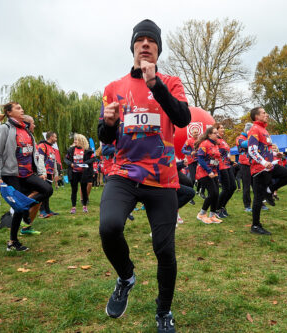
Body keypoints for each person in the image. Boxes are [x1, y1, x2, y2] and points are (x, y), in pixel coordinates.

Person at [97, 19, 191, 332]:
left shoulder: (171, 83)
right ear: (134, 48)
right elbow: (106, 138)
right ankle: (126, 276)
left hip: (162, 178)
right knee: (109, 227)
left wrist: (156, 85)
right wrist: (108, 123)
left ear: (158, 50)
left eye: (152, 40)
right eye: (141, 40)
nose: (146, 44)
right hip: (123, 173)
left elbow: (182, 118)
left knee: (165, 249)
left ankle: (163, 312)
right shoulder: (114, 88)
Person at [0, 102, 53, 250]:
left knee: (47, 189)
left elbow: (35, 154)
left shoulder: (27, 131)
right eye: (18, 108)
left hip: (28, 173)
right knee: (18, 210)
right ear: (9, 112)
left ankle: (23, 206)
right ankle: (13, 242)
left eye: (21, 108)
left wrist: (40, 172)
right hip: (12, 174)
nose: (22, 109)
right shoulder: (4, 129)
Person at [248, 107, 287, 235]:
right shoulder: (254, 129)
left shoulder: (264, 129)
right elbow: (252, 150)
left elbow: (264, 148)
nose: (267, 115)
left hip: (270, 166)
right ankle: (255, 226)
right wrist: (264, 162)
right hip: (259, 169)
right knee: (258, 198)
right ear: (257, 116)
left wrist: (276, 153)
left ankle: (269, 191)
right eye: (264, 113)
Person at [195, 127, 222, 224]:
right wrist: (208, 170)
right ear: (209, 134)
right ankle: (201, 214)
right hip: (204, 172)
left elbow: (216, 160)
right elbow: (200, 159)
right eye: (215, 133)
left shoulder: (216, 145)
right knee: (213, 193)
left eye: (217, 133)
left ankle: (212, 215)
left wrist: (217, 174)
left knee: (216, 194)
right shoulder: (204, 143)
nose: (217, 134)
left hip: (213, 172)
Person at [64, 134, 95, 213]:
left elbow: (93, 159)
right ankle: (73, 207)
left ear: (81, 141)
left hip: (83, 173)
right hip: (74, 173)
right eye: (74, 140)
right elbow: (66, 159)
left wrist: (85, 163)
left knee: (84, 190)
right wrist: (70, 164)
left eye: (76, 140)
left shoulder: (88, 150)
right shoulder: (71, 150)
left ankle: (84, 206)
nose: (74, 141)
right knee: (74, 190)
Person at [215, 123, 236, 218]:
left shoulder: (223, 140)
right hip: (221, 167)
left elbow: (225, 155)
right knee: (226, 188)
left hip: (228, 166)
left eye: (223, 127)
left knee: (233, 187)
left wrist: (231, 162)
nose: (223, 129)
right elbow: (215, 155)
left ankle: (223, 206)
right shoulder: (216, 141)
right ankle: (217, 209)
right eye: (221, 128)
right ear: (216, 130)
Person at [37, 131, 59, 217]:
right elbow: (40, 160)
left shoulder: (52, 148)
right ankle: (42, 211)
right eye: (55, 137)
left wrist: (56, 173)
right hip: (44, 173)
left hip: (50, 173)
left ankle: (47, 210)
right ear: (50, 137)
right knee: (43, 192)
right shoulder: (42, 146)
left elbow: (54, 161)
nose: (56, 139)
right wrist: (43, 172)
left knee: (48, 192)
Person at [236, 123, 253, 212]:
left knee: (256, 185)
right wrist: (254, 138)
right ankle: (247, 205)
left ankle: (260, 203)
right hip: (244, 164)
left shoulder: (250, 137)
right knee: (246, 186)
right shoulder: (240, 138)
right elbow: (244, 145)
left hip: (253, 164)